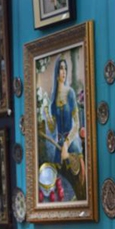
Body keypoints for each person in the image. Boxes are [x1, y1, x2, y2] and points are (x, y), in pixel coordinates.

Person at [42, 55, 85, 201]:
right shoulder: (53, 98)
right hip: (58, 146)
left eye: (65, 68)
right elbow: (53, 127)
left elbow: (76, 124)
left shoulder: (70, 93)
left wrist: (66, 144)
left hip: (71, 145)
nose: (64, 71)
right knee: (60, 187)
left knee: (77, 185)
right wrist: (47, 116)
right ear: (56, 73)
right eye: (61, 68)